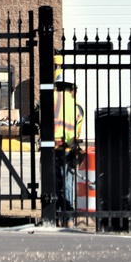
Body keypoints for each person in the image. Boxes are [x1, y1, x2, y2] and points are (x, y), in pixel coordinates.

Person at [53, 79, 84, 226]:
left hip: (51, 148)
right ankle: (69, 218)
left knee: (53, 184)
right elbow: (77, 132)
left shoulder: (49, 100)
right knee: (68, 184)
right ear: (72, 89)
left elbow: (39, 120)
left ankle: (55, 216)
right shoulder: (77, 106)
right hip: (68, 149)